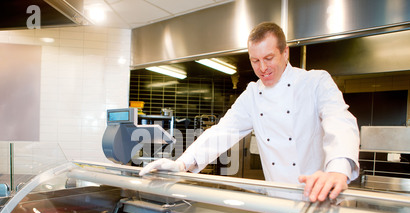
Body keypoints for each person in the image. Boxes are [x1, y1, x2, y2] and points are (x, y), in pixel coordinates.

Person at [139, 22, 360, 203]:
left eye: (269, 58)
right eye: (255, 61)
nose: (262, 68)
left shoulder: (315, 81)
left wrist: (338, 169)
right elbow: (222, 131)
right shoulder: (253, 94)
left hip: (319, 199)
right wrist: (181, 164)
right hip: (277, 203)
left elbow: (340, 121)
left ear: (285, 52)